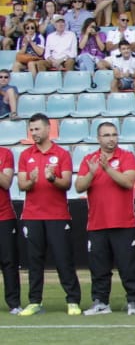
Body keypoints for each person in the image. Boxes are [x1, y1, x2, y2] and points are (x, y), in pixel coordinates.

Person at [16, 114, 81, 316]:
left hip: (57, 215)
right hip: (32, 215)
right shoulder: (26, 155)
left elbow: (67, 184)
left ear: (47, 129)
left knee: (63, 259)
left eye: (37, 129)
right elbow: (21, 185)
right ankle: (35, 301)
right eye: (31, 129)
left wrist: (52, 178)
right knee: (34, 261)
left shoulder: (61, 154)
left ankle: (72, 300)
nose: (34, 133)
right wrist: (32, 181)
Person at [74, 121, 135, 315]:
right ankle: (100, 302)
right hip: (97, 223)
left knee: (128, 266)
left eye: (114, 134)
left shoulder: (127, 157)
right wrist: (92, 173)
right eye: (106, 135)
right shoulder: (90, 159)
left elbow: (128, 182)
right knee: (99, 268)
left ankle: (134, 301)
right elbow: (79, 186)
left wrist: (108, 169)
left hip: (123, 222)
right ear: (98, 138)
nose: (111, 138)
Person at [0, 137, 19, 314]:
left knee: (9, 262)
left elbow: (6, 182)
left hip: (3, 216)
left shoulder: (5, 153)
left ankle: (14, 303)